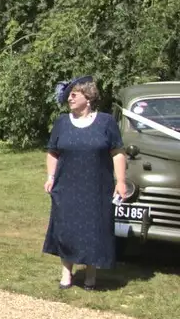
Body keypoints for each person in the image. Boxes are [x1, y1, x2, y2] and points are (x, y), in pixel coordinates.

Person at [44, 77, 129, 290]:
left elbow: (117, 153)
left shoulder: (106, 122)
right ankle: (66, 273)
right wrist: (51, 177)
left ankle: (91, 275)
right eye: (68, 95)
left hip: (96, 187)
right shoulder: (62, 122)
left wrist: (120, 181)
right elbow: (53, 152)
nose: (69, 98)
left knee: (94, 229)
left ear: (88, 97)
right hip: (67, 185)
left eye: (74, 94)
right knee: (66, 228)